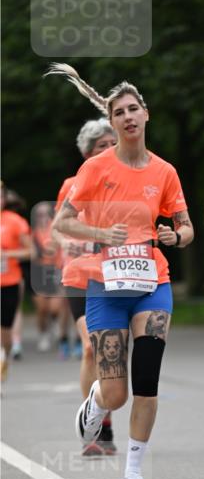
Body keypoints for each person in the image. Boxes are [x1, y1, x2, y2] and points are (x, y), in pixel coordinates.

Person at [48, 63, 193, 479]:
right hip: (107, 288)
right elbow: (63, 223)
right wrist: (99, 235)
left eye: (134, 109)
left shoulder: (164, 172)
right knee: (117, 393)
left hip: (153, 284)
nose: (128, 117)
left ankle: (133, 475)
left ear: (145, 114)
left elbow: (187, 228)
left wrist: (175, 236)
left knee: (147, 381)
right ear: (111, 122)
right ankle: (96, 400)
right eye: (119, 113)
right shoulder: (95, 169)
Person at [51, 118, 117, 455]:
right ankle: (96, 426)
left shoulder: (127, 182)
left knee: (111, 350)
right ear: (88, 154)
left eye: (112, 144)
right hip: (80, 275)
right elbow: (57, 228)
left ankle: (105, 405)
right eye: (100, 146)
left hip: (116, 275)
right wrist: (71, 242)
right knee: (92, 347)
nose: (108, 151)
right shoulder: (73, 183)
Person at [1, 183, 33, 384]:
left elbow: (31, 252)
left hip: (8, 283)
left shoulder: (15, 222)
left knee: (5, 337)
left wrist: (7, 254)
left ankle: (4, 361)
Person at [31, 201, 70, 356]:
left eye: (47, 214)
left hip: (56, 270)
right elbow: (34, 254)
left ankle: (55, 326)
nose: (43, 217)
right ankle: (43, 333)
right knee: (42, 309)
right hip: (40, 271)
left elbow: (57, 247)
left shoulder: (57, 230)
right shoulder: (33, 233)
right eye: (40, 215)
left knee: (56, 307)